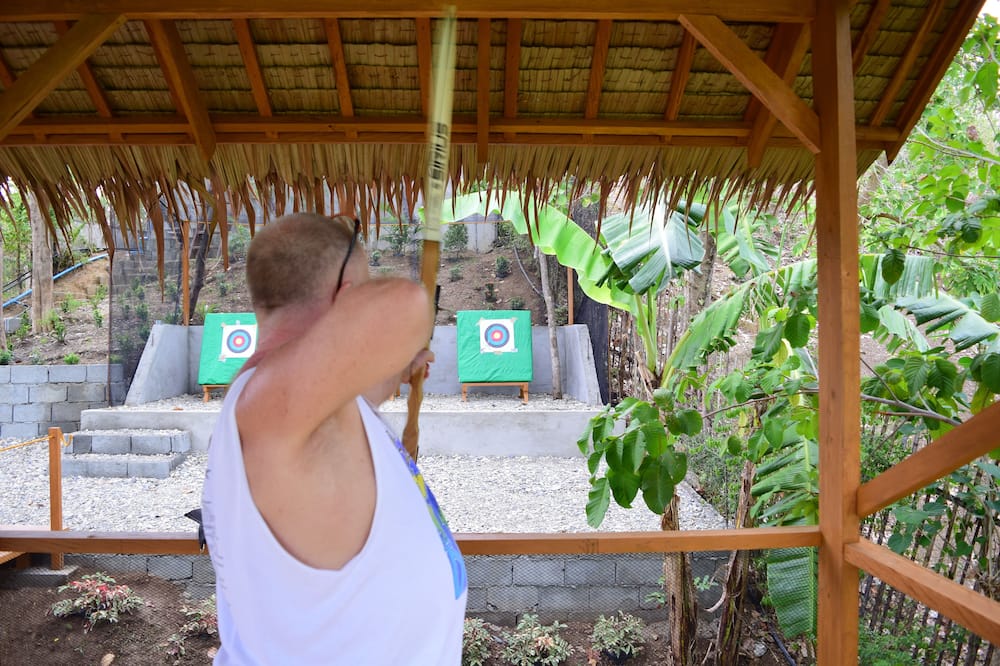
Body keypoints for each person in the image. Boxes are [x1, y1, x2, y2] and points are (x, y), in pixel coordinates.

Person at [201, 212, 468, 664]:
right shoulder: (265, 406)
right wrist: (390, 331)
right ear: (347, 295)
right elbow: (402, 305)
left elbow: (359, 389)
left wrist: (397, 368)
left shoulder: (302, 407)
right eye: (361, 287)